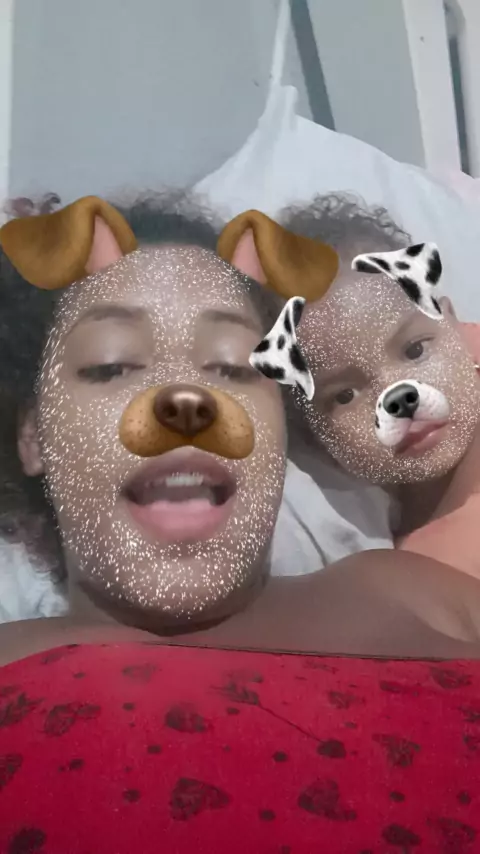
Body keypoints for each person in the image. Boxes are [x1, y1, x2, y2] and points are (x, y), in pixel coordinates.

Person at [2, 194, 480, 852]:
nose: (186, 401)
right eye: (111, 365)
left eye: (232, 367)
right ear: (32, 435)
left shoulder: (417, 592)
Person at [218, 194, 480, 581]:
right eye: (344, 395)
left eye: (414, 350)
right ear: (313, 435)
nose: (397, 394)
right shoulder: (403, 569)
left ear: (451, 321)